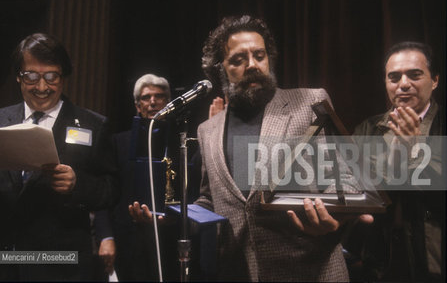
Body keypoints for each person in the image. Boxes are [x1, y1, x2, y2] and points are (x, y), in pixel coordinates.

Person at [131, 15, 370, 281]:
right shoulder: (207, 130)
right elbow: (211, 200)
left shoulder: (310, 103)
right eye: (238, 59)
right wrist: (176, 218)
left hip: (310, 271)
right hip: (237, 272)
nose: (253, 65)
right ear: (220, 69)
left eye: (259, 55)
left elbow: (348, 177)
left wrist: (334, 216)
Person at [0, 33, 119, 281]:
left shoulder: (93, 125)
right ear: (18, 76)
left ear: (63, 76)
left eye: (51, 76)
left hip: (60, 267)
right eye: (31, 76)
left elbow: (112, 191)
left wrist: (78, 185)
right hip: (0, 265)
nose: (42, 87)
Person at [350, 41, 444, 281]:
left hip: (434, 259)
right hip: (382, 261)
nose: (403, 84)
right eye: (394, 78)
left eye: (414, 75)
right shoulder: (367, 129)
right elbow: (351, 186)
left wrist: (415, 151)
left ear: (434, 80)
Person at [94, 74, 181, 281]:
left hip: (169, 239)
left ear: (168, 102)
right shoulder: (117, 143)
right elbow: (104, 194)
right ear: (137, 105)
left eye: (159, 96)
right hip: (128, 240)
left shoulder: (181, 143)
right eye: (146, 97)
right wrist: (106, 236)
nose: (153, 102)